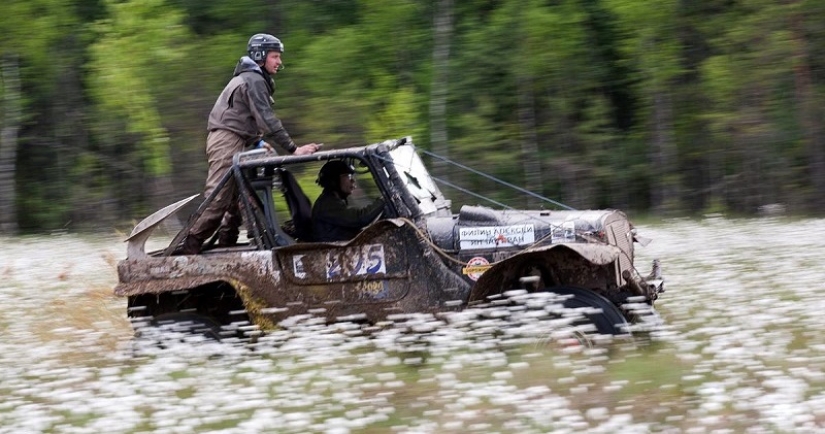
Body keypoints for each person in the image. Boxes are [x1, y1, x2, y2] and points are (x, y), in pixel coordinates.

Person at [181, 33, 320, 254]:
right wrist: (294, 149)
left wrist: (258, 142)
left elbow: (248, 117)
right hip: (227, 140)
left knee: (242, 196)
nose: (279, 61)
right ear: (260, 56)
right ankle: (187, 251)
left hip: (237, 139)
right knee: (218, 199)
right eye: (275, 56)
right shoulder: (254, 79)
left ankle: (227, 246)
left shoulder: (253, 79)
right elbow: (266, 118)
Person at [312, 160, 385, 242]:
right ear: (334, 180)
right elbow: (360, 219)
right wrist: (383, 200)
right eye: (348, 176)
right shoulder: (326, 205)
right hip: (335, 251)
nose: (353, 181)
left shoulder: (332, 201)